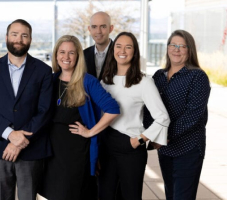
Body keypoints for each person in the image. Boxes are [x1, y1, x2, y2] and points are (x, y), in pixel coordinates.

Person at [39, 35, 120, 200]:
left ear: (78, 56)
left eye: (71, 53)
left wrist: (90, 132)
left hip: (76, 150)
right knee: (52, 193)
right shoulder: (51, 80)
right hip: (52, 148)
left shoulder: (87, 81)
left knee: (72, 193)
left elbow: (113, 109)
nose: (66, 57)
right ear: (56, 55)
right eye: (62, 52)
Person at [0, 19, 52, 200]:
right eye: (14, 34)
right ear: (6, 37)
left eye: (24, 35)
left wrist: (20, 139)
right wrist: (11, 134)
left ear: (30, 39)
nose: (19, 39)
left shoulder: (43, 71)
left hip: (31, 148)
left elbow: (45, 110)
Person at [99, 32, 170, 200]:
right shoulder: (105, 80)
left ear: (134, 52)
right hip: (106, 146)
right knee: (105, 195)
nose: (122, 50)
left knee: (130, 196)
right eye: (118, 46)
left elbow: (163, 118)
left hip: (129, 148)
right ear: (113, 50)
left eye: (128, 47)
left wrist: (138, 140)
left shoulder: (143, 81)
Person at [143, 30, 210, 200]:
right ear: (167, 48)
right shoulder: (158, 76)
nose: (176, 49)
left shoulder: (197, 76)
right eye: (173, 45)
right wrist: (152, 134)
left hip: (189, 148)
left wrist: (163, 136)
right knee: (171, 195)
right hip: (165, 148)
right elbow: (150, 108)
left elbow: (193, 116)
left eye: (182, 46)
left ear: (190, 50)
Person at [84, 11, 114, 79]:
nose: (98, 31)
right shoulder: (83, 55)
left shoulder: (119, 54)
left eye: (103, 27)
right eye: (94, 27)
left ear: (111, 28)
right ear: (89, 29)